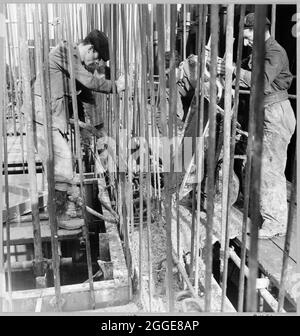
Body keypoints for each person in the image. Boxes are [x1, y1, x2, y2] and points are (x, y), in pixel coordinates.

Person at [32, 29, 125, 229]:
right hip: (42, 117)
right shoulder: (64, 53)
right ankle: (58, 217)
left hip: (54, 120)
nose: (95, 65)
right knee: (64, 161)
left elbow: (86, 99)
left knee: (64, 162)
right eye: (96, 60)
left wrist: (98, 132)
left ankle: (60, 209)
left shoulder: (75, 65)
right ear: (91, 49)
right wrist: (116, 86)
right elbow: (90, 81)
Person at [231, 13, 296, 238]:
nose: (247, 43)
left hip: (275, 114)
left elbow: (260, 81)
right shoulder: (259, 53)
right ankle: (262, 213)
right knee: (257, 164)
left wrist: (233, 71)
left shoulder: (274, 52)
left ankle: (275, 223)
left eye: (248, 37)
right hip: (264, 113)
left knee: (271, 169)